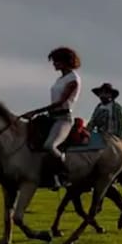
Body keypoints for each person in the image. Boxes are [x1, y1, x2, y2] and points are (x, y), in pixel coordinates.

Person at [43, 47, 82, 186]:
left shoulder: (73, 79)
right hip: (52, 117)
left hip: (63, 118)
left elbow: (61, 102)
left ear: (66, 61)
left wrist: (35, 111)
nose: (54, 64)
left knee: (49, 146)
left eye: (56, 61)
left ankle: (66, 174)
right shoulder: (60, 78)